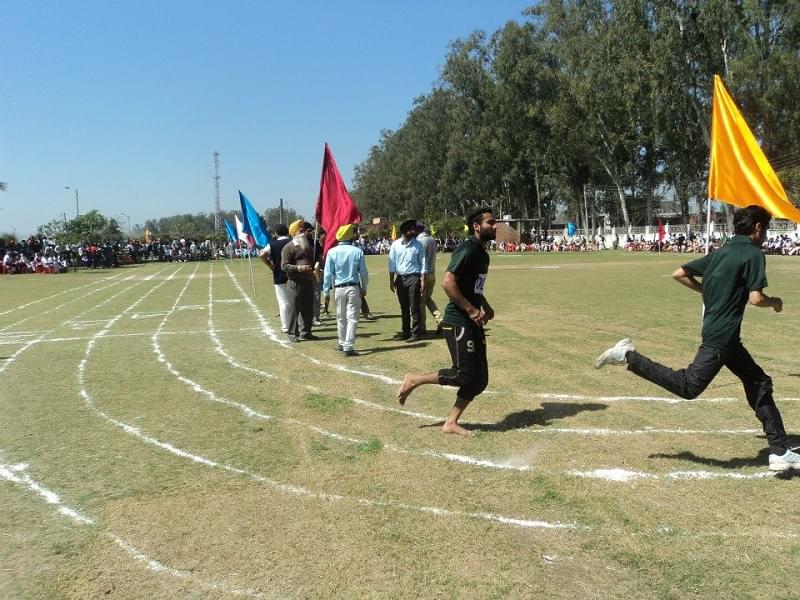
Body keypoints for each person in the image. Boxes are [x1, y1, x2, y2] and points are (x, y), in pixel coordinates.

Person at [595, 205, 800, 471]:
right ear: (758, 227)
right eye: (766, 228)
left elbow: (679, 273)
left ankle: (779, 450)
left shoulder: (720, 252)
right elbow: (756, 298)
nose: (766, 234)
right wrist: (775, 302)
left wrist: (709, 292)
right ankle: (628, 356)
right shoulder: (753, 254)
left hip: (723, 335)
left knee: (759, 382)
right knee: (688, 387)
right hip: (722, 337)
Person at [396, 207, 497, 437]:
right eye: (490, 222)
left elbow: (474, 287)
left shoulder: (483, 254)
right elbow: (448, 282)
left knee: (479, 380)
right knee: (463, 374)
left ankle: (450, 422)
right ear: (476, 226)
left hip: (472, 320)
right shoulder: (467, 248)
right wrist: (472, 310)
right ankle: (414, 379)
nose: (495, 226)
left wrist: (485, 305)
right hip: (458, 320)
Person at [322, 224, 368, 357]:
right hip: (353, 286)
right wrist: (364, 287)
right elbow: (363, 272)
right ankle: (348, 345)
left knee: (340, 317)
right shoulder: (357, 251)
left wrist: (326, 291)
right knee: (352, 317)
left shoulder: (331, 252)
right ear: (349, 236)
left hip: (338, 288)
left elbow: (328, 274)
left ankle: (342, 343)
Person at [388, 219, 428, 342]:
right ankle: (406, 332)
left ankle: (416, 333)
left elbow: (423, 262)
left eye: (414, 229)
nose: (413, 231)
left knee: (414, 306)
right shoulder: (395, 245)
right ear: (405, 231)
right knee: (404, 307)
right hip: (400, 279)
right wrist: (391, 280)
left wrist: (422, 279)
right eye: (411, 229)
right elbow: (392, 263)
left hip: (414, 278)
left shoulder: (418, 244)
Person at [281, 220, 317, 342]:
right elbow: (284, 266)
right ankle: (292, 334)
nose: (303, 232)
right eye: (300, 230)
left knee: (308, 309)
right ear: (293, 232)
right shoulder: (288, 247)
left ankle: (306, 332)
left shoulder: (308, 246)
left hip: (308, 281)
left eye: (303, 230)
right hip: (295, 283)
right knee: (294, 310)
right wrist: (300, 268)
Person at [259, 224, 292, 333]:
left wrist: (269, 265)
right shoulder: (293, 242)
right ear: (288, 232)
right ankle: (296, 324)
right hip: (294, 275)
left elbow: (262, 254)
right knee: (294, 301)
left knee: (283, 302)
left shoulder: (272, 244)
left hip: (279, 275)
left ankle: (285, 326)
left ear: (276, 233)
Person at [416, 222, 442, 334]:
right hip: (432, 273)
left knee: (420, 302)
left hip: (423, 274)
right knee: (428, 299)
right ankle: (440, 319)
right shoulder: (431, 239)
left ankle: (422, 327)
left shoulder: (419, 241)